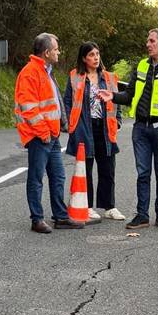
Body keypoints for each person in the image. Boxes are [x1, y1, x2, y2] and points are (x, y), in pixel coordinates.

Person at [98, 28, 158, 229]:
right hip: (140, 129)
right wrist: (113, 96)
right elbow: (130, 94)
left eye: (151, 41)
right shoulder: (141, 65)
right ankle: (142, 215)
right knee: (143, 173)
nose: (147, 44)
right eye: (148, 40)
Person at [14, 32, 84, 233]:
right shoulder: (31, 72)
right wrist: (43, 132)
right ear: (46, 52)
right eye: (55, 49)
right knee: (36, 178)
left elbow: (51, 103)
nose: (58, 52)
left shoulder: (45, 70)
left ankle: (60, 217)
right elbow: (29, 108)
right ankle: (37, 219)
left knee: (58, 176)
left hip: (51, 135)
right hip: (39, 136)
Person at [64, 42, 125, 223]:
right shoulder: (75, 76)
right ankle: (88, 206)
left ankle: (109, 207)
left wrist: (119, 120)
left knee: (108, 168)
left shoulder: (109, 76)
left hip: (105, 127)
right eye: (91, 55)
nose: (96, 57)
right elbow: (68, 101)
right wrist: (71, 126)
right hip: (84, 126)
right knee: (86, 169)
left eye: (97, 54)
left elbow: (116, 100)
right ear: (84, 58)